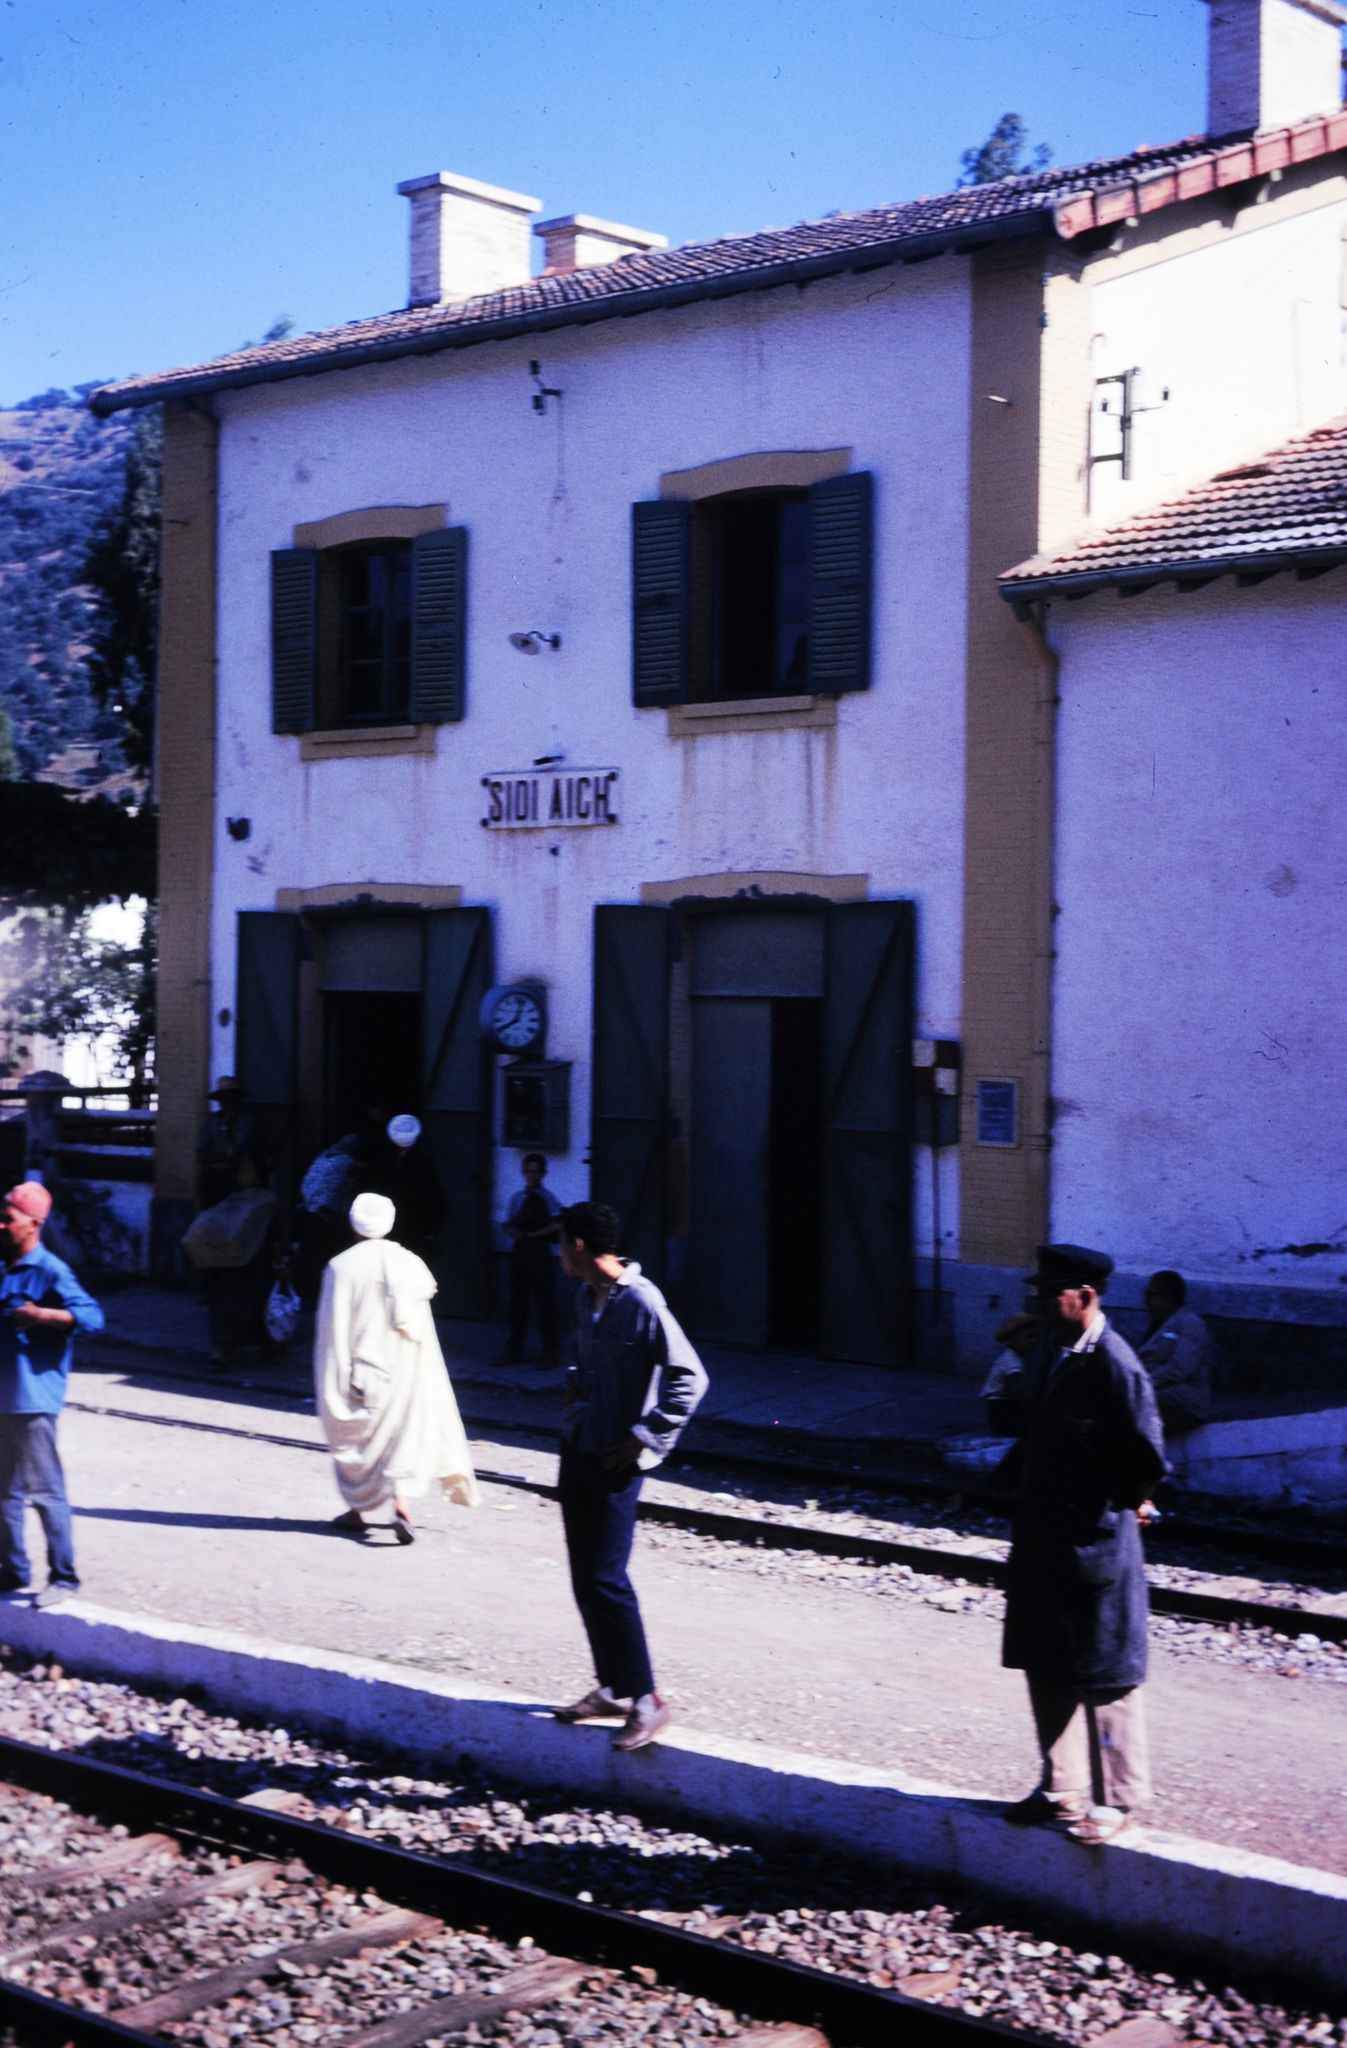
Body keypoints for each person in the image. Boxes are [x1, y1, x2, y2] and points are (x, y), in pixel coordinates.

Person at [1002, 1243, 1166, 1846]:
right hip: (1044, 1535)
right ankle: (1061, 1789)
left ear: (1086, 1298)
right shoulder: (1056, 1349)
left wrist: (1122, 1501)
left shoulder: (1115, 1363)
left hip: (1093, 1539)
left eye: (1050, 1295)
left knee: (1106, 1671)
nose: (1041, 1304)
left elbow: (1146, 1453)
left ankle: (1120, 1800)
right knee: (1045, 1659)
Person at [553, 1201, 708, 1752]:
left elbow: (690, 1379)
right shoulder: (583, 1296)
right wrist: (574, 1396)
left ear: (578, 1246)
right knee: (583, 1580)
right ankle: (612, 1688)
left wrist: (643, 1438)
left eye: (561, 1242)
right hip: (578, 1449)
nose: (558, 1252)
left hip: (617, 1461)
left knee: (608, 1581)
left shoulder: (643, 1302)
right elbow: (583, 1362)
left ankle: (649, 1700)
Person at [314, 1191, 479, 1542]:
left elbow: (332, 1330)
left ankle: (359, 1510)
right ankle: (401, 1506)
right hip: (407, 1367)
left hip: (363, 1368)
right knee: (401, 1437)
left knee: (360, 1440)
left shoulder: (340, 1267)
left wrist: (337, 1376)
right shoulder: (411, 1263)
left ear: (354, 1223)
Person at [0, 1183, 104, 1607]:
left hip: (31, 1400)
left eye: (9, 1217)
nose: (2, 1223)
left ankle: (64, 1577)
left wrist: (42, 1315)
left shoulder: (51, 1270)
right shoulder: (4, 1266)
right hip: (2, 1398)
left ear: (34, 1224)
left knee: (45, 1491)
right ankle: (13, 1569)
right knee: (4, 1492)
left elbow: (93, 1318)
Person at [195, 1075, 274, 1371]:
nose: (227, 1104)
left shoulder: (247, 1124)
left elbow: (236, 1153)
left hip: (241, 1194)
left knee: (248, 1277)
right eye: (223, 1100)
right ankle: (227, 1343)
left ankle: (250, 1341)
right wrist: (222, 1151)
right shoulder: (211, 1122)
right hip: (218, 1188)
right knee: (225, 1277)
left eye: (232, 1100)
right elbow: (204, 1155)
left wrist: (228, 1144)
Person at [498, 1153, 562, 1369]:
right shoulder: (517, 1198)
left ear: (543, 1174)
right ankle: (514, 1349)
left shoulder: (548, 1197)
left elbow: (558, 1224)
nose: (532, 1176)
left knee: (544, 1302)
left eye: (537, 1172)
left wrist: (537, 1235)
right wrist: (513, 1232)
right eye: (529, 1171)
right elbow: (507, 1223)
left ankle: (550, 1351)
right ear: (523, 1173)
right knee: (517, 1302)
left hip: (540, 1251)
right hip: (520, 1251)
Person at [1138, 1270, 1212, 1438]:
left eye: (1151, 1296)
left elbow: (1179, 1368)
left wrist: (1141, 1385)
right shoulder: (1158, 1326)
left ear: (1169, 1297)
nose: (1146, 1302)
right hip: (1157, 1393)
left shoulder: (1190, 1323)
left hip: (1183, 1401)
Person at [981, 1311, 1039, 1436]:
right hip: (1001, 1410)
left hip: (1002, 1408)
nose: (1033, 1342)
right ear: (1014, 1338)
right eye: (1029, 1336)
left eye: (1035, 1337)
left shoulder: (1015, 1358)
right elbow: (1018, 1394)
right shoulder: (1010, 1360)